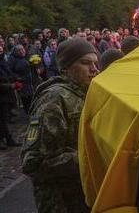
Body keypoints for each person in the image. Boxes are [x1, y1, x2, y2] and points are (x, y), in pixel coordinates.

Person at [21, 38, 99, 213]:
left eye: (95, 63)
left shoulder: (84, 92)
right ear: (66, 67)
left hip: (83, 195)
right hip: (62, 202)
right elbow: (34, 162)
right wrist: (90, 158)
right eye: (86, 63)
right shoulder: (54, 99)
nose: (94, 69)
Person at [0, 46, 22, 150]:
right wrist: (10, 86)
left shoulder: (3, 61)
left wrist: (16, 79)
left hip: (7, 95)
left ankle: (8, 139)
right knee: (2, 119)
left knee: (5, 118)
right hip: (2, 95)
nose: (1, 52)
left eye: (1, 50)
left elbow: (9, 73)